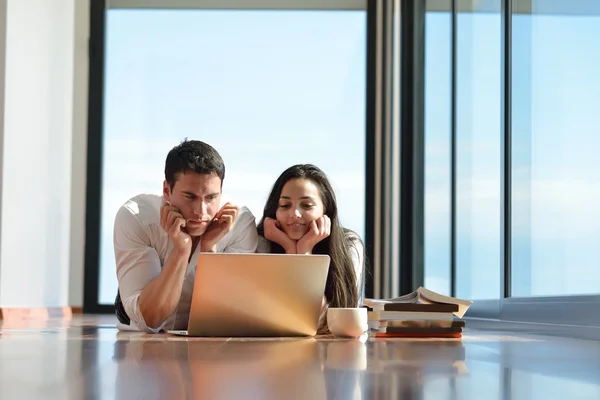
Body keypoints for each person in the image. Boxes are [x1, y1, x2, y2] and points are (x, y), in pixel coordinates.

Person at [113, 139, 258, 333]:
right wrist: (181, 250)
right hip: (139, 313)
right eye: (190, 197)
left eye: (211, 198)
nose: (201, 211)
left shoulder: (239, 224)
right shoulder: (136, 217)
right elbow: (150, 318)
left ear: (221, 192)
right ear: (167, 190)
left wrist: (209, 250)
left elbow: (225, 318)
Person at [256, 164, 365, 333]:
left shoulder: (349, 244)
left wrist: (305, 251)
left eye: (306, 205)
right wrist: (290, 250)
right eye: (285, 205)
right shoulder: (261, 243)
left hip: (331, 352)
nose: (295, 214)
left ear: (325, 210)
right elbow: (270, 319)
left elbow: (322, 322)